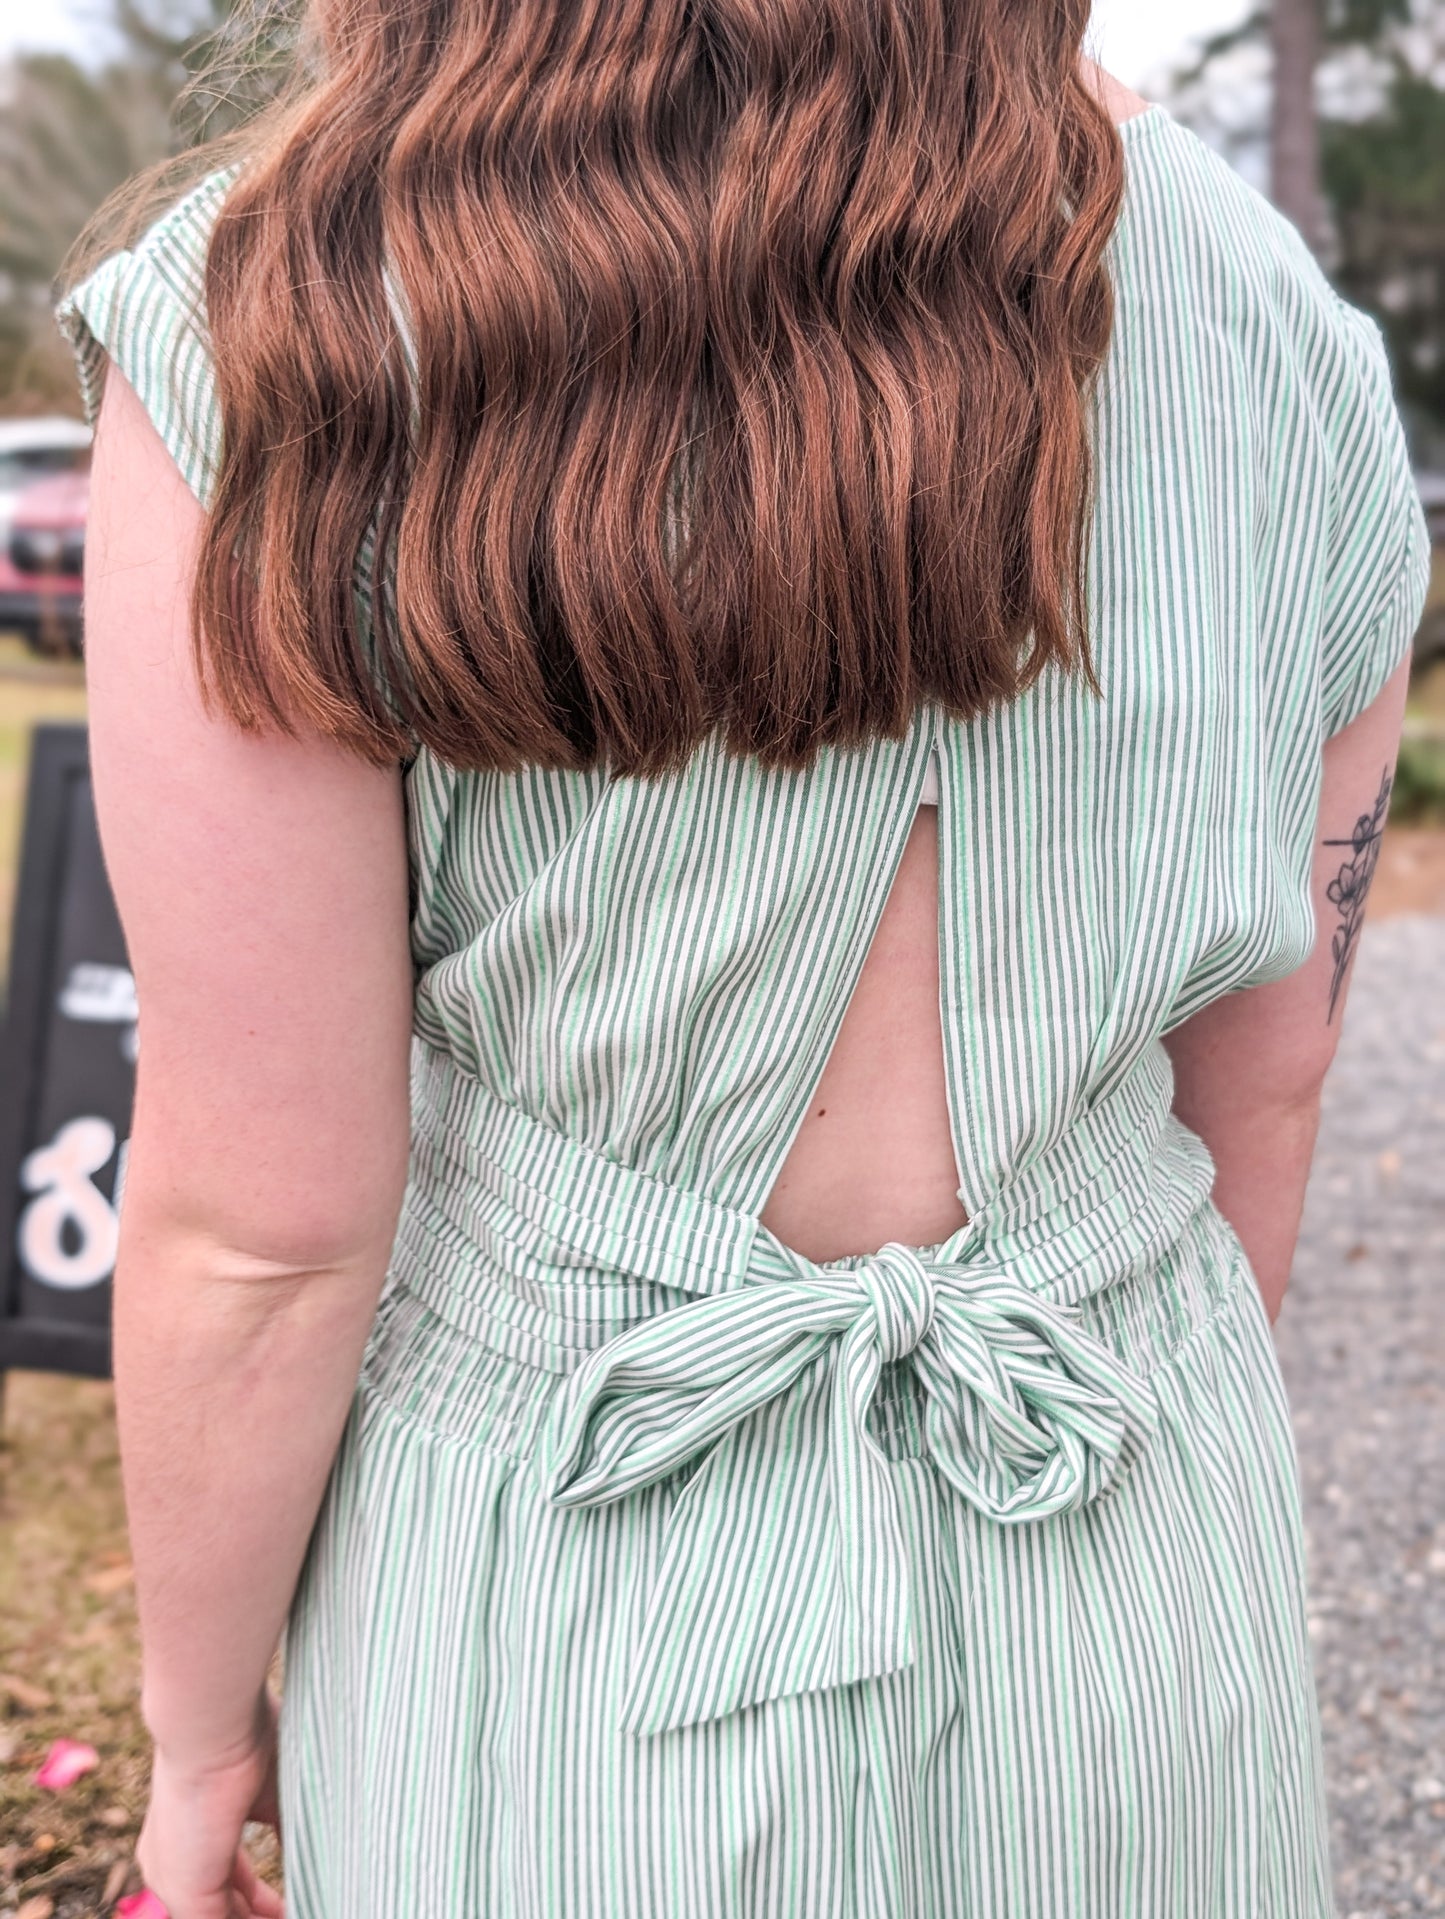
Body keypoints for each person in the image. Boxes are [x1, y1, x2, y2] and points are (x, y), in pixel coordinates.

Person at [52, 0, 1429, 1907]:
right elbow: (1260, 1077)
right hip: (1118, 1535)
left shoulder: (273, 319)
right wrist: (1109, 1428)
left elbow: (266, 1229)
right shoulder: (1275, 320)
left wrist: (202, 1737)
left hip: (562, 1599)